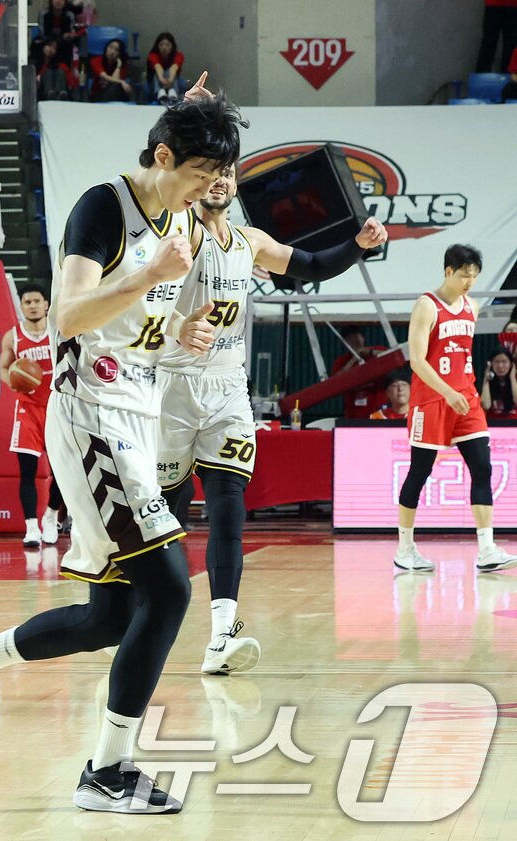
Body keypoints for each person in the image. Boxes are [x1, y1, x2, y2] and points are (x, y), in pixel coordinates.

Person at [0, 88, 243, 815]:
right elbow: (70, 316)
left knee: (110, 617)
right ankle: (107, 769)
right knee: (168, 588)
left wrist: (176, 333)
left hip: (137, 411)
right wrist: (149, 278)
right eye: (200, 174)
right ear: (163, 158)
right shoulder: (104, 207)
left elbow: (135, 328)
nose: (210, 189)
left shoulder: (182, 224)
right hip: (89, 417)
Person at [158, 162, 386, 675]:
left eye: (227, 173)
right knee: (165, 515)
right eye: (209, 170)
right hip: (169, 385)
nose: (219, 180)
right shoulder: (177, 229)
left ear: (235, 184)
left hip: (227, 387)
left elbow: (310, 263)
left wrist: (358, 245)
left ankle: (221, 633)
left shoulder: (251, 241)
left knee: (228, 506)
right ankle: (147, 616)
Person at [394, 245, 517, 574]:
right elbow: (418, 361)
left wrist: (464, 391)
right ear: (448, 271)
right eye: (464, 275)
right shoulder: (426, 306)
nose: (469, 282)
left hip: (466, 397)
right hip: (432, 399)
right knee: (419, 472)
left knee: (483, 467)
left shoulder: (472, 306)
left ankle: (487, 548)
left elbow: (462, 355)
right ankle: (405, 549)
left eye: (474, 276)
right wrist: (447, 392)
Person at [0, 285, 61, 547]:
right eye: (27, 301)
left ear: (46, 304)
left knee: (62, 470)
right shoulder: (12, 336)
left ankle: (51, 515)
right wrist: (12, 381)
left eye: (37, 301)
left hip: (56, 406)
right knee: (27, 471)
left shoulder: (57, 331)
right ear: (21, 306)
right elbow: (3, 367)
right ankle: (31, 527)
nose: (33, 305)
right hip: (27, 409)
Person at [331, 327, 390, 418]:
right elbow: (334, 382)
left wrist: (369, 352)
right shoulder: (342, 361)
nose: (356, 342)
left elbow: (392, 356)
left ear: (363, 338)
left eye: (358, 338)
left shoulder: (375, 351)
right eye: (351, 339)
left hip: (380, 413)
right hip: (354, 415)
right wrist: (353, 359)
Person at [147, 33, 185, 104]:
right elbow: (158, 67)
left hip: (172, 81)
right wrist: (162, 79)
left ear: (172, 46)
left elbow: (174, 68)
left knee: (170, 72)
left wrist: (170, 80)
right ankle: (160, 93)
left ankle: (172, 92)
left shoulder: (179, 55)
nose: (164, 47)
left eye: (167, 45)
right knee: (158, 74)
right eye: (161, 45)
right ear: (157, 46)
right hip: (157, 82)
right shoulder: (152, 55)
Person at [481, 348, 517, 417]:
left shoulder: (515, 381)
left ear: (511, 364)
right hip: (493, 424)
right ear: (491, 364)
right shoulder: (488, 383)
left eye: (504, 362)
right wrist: (486, 379)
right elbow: (486, 405)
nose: (500, 366)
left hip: (513, 424)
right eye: (497, 362)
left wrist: (512, 378)